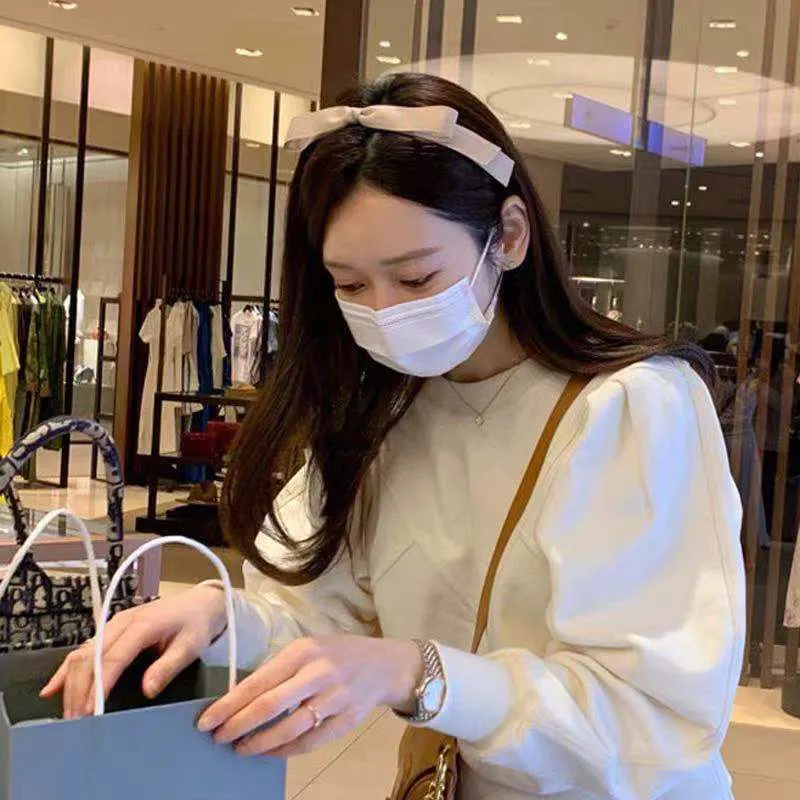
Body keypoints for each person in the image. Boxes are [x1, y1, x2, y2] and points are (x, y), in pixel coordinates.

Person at [43, 73, 745, 799]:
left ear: (508, 236)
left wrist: (418, 672)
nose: (384, 313)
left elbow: (655, 720)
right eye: (350, 286)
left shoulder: (633, 407)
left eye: (415, 279)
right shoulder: (382, 406)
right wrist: (223, 618)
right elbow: (318, 613)